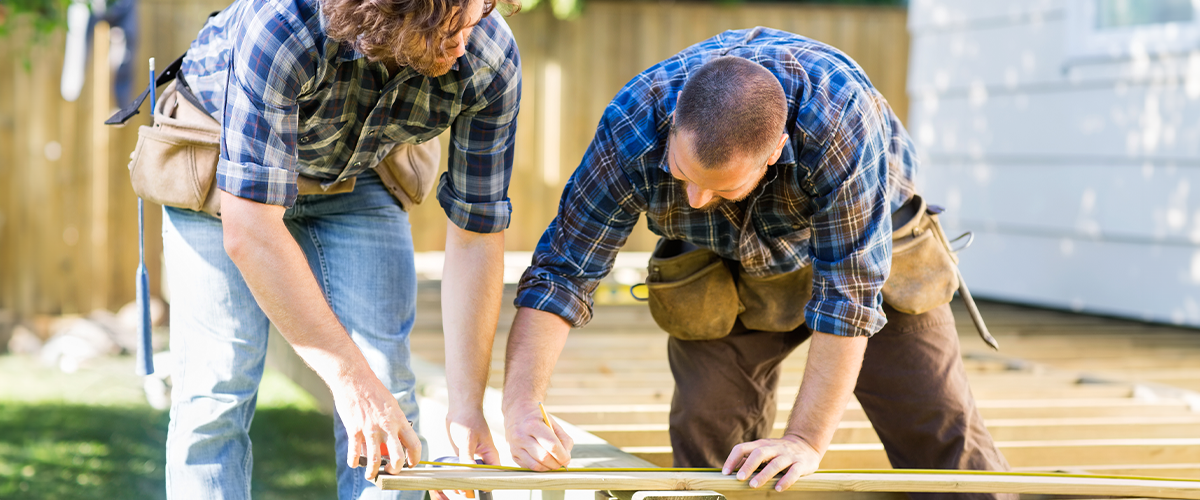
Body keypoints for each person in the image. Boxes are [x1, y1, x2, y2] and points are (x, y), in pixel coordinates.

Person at [501, 27, 1014, 500]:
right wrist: (522, 404)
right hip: (719, 260)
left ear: (774, 153)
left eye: (721, 185)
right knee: (710, 444)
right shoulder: (633, 126)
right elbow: (562, 273)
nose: (696, 198)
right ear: (676, 119)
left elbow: (849, 298)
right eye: (682, 171)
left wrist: (805, 441)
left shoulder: (837, 119)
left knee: (938, 432)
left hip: (873, 252)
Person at [162, 0, 521, 497]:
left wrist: (466, 410)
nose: (462, 48)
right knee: (216, 391)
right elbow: (251, 229)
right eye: (444, 32)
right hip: (223, 165)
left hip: (357, 174)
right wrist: (351, 383)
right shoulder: (284, 24)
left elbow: (476, 231)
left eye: (474, 21)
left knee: (386, 383)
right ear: (393, 15)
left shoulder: (489, 53)